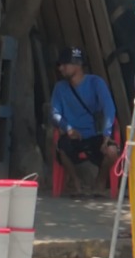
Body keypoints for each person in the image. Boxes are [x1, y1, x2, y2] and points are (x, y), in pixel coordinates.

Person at [50, 47, 120, 196]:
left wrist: (107, 135)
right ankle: (75, 182)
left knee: (112, 151)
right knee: (61, 147)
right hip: (72, 136)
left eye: (65, 64)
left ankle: (100, 181)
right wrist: (68, 128)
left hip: (95, 135)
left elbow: (109, 109)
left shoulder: (96, 83)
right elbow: (55, 113)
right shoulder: (60, 88)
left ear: (77, 65)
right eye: (60, 65)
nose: (61, 68)